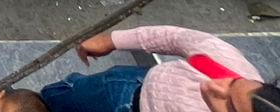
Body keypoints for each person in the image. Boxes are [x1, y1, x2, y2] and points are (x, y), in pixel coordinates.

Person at [42, 26, 262, 112]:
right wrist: (113, 40)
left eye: (230, 105)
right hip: (126, 89)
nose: (214, 85)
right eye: (234, 83)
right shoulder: (226, 64)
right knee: (57, 98)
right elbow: (176, 38)